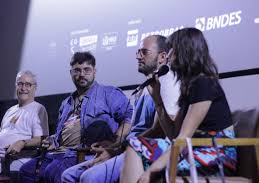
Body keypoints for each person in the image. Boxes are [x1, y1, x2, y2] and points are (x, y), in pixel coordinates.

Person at [120, 27, 237, 183]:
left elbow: (182, 138)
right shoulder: (189, 86)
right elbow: (173, 135)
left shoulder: (203, 83)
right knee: (135, 144)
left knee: (152, 168)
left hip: (214, 153)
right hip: (193, 148)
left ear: (184, 52)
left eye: (171, 51)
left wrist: (154, 168)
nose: (167, 56)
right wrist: (157, 99)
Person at [61, 35, 180, 183]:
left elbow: (158, 130)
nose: (138, 56)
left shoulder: (166, 83)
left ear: (162, 57)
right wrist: (113, 145)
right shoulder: (147, 87)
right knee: (68, 175)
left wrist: (116, 150)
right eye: (138, 52)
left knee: (88, 178)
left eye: (144, 52)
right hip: (128, 148)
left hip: (143, 150)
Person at [19, 52, 133, 183]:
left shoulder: (109, 93)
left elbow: (128, 118)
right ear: (71, 73)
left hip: (81, 153)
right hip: (57, 153)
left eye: (87, 70)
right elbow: (60, 134)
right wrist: (51, 140)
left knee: (53, 172)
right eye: (77, 70)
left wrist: (114, 143)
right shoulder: (66, 103)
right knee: (26, 171)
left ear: (94, 72)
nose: (82, 74)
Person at [0, 71, 49, 176]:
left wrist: (22, 142)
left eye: (28, 84)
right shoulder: (10, 110)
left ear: (35, 88)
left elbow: (40, 139)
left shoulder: (38, 109)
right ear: (16, 86)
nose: (23, 88)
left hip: (10, 160)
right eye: (20, 84)